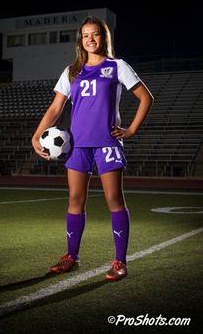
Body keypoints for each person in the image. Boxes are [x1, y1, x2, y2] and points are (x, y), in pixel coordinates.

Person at [32, 16, 154, 281]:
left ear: (104, 37)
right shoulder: (72, 71)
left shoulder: (117, 66)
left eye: (95, 34)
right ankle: (71, 257)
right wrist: (36, 136)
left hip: (107, 143)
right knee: (75, 200)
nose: (90, 39)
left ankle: (120, 261)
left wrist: (131, 130)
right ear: (81, 40)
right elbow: (56, 108)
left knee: (114, 200)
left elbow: (146, 97)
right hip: (78, 145)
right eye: (85, 35)